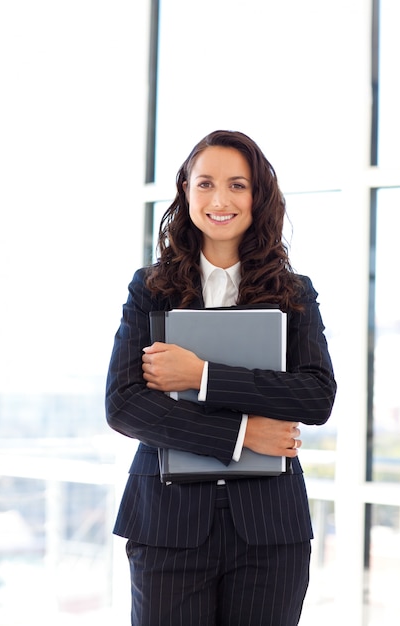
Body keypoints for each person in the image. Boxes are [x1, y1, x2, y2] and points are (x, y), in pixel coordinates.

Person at [105, 129, 337, 626]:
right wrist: (242, 434)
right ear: (186, 191)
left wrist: (200, 375)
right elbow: (125, 405)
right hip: (167, 525)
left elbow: (316, 396)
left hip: (269, 532)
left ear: (258, 196)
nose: (220, 199)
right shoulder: (151, 289)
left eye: (238, 184)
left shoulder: (293, 293)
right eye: (205, 183)